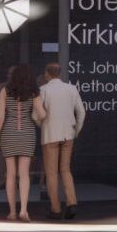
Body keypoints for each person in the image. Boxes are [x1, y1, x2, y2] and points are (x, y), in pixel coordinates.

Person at [0, 63, 45, 222]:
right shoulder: (34, 92)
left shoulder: (5, 90)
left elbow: (1, 117)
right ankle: (24, 210)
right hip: (27, 133)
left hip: (9, 132)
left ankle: (12, 212)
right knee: (24, 174)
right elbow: (42, 114)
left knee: (10, 174)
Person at [40, 62, 86, 220]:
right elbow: (81, 111)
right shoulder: (71, 89)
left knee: (51, 173)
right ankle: (72, 202)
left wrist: (42, 126)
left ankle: (56, 209)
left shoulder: (44, 90)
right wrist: (76, 130)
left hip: (50, 134)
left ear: (47, 73)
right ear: (59, 73)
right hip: (68, 133)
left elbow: (37, 114)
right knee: (65, 170)